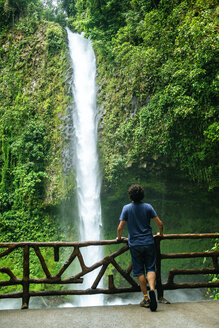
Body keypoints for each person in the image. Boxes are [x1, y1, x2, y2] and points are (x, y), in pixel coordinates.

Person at [116, 184, 163, 311]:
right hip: (148, 242)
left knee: (139, 271)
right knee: (150, 268)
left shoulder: (126, 208)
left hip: (135, 244)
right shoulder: (148, 207)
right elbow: (159, 223)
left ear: (130, 196)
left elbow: (120, 227)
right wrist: (160, 234)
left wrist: (119, 237)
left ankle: (146, 298)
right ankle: (152, 290)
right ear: (142, 195)